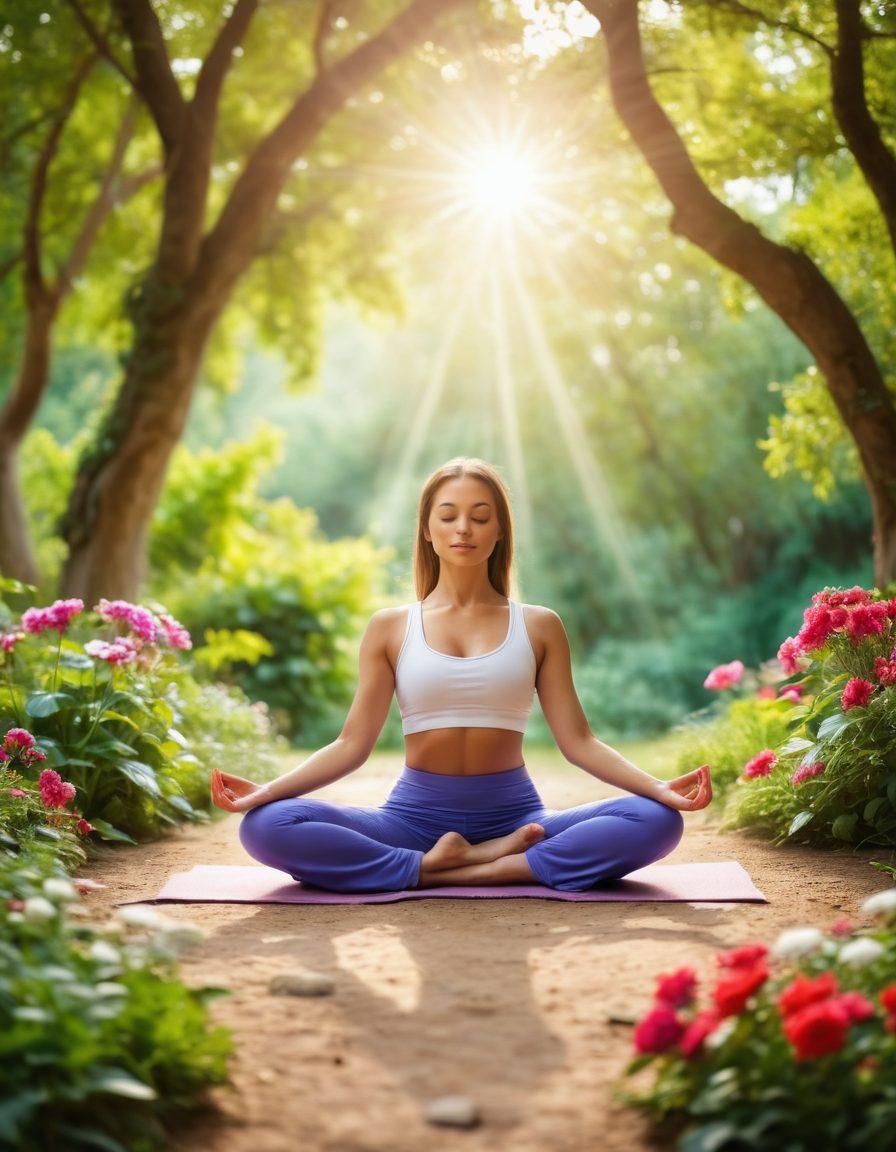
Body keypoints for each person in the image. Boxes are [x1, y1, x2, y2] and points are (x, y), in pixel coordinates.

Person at [211, 456, 712, 893]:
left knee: (656, 821)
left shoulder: (539, 625)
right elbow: (351, 745)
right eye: (447, 516)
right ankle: (479, 865)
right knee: (266, 826)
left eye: (480, 517)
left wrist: (658, 788)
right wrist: (267, 792)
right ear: (427, 531)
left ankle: (455, 871)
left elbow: (579, 741)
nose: (463, 529)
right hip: (410, 820)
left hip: (519, 820)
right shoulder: (389, 627)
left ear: (499, 532)